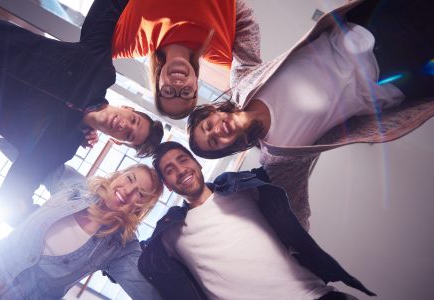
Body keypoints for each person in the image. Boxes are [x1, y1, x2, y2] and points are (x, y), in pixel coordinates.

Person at [187, 0, 434, 229]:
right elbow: (296, 215)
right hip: (391, 79)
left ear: (214, 111)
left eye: (208, 125)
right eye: (214, 142)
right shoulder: (277, 158)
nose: (217, 131)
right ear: (226, 149)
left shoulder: (243, 83)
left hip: (367, 31)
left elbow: (243, 22)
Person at [0, 0, 164, 224]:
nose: (125, 126)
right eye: (133, 121)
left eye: (129, 136)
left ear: (117, 141)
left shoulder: (58, 147)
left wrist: (64, 226)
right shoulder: (97, 68)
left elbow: (11, 201)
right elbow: (107, 9)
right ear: (128, 108)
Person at [138, 141, 374, 300]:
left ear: (197, 162)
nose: (180, 170)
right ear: (167, 184)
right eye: (169, 170)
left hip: (312, 295)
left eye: (183, 160)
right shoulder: (168, 236)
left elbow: (290, 153)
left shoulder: (242, 187)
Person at [0, 163, 163, 299]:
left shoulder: (121, 246)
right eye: (129, 179)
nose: (129, 191)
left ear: (142, 207)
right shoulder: (76, 186)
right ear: (118, 175)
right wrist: (71, 133)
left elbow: (148, 294)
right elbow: (20, 149)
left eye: (141, 194)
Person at [111, 0, 255, 119]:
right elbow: (243, 15)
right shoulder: (224, 53)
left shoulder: (130, 42)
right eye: (186, 93)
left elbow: (91, 51)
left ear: (157, 83)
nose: (178, 85)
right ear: (196, 87)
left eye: (168, 91)